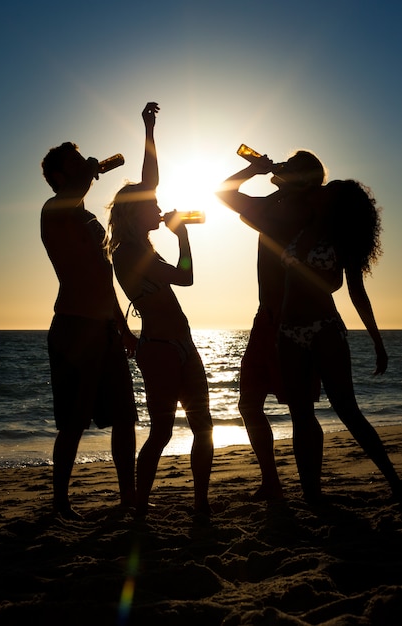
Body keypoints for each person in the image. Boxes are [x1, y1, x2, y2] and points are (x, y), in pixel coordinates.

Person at [104, 103, 214, 519]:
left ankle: (199, 503)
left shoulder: (137, 245)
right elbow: (185, 278)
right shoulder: (130, 251)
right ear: (135, 212)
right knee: (163, 432)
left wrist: (149, 130)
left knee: (202, 428)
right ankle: (141, 507)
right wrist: (182, 237)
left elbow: (150, 181)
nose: (160, 207)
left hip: (180, 344)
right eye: (152, 206)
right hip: (162, 350)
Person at [277, 178, 402, 503]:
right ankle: (312, 496)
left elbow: (356, 291)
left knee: (347, 410)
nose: (319, 192)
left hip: (324, 328)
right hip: (288, 331)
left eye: (327, 192)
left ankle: (395, 483)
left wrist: (377, 340)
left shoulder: (340, 239)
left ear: (335, 205)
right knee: (300, 414)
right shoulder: (299, 226)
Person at [216, 149, 326, 501]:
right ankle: (295, 487)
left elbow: (224, 193)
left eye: (290, 166)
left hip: (284, 317)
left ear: (301, 180)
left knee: (275, 406)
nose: (281, 166)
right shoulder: (298, 207)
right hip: (275, 317)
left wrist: (253, 169)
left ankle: (288, 486)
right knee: (285, 407)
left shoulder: (284, 209)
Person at [41, 141, 138, 520]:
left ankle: (128, 495)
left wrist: (124, 327)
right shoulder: (54, 210)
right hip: (73, 326)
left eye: (85, 159)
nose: (87, 164)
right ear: (62, 175)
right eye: (77, 162)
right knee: (76, 419)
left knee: (124, 414)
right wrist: (86, 176)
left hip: (104, 329)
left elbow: (104, 277)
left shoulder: (87, 215)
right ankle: (61, 503)